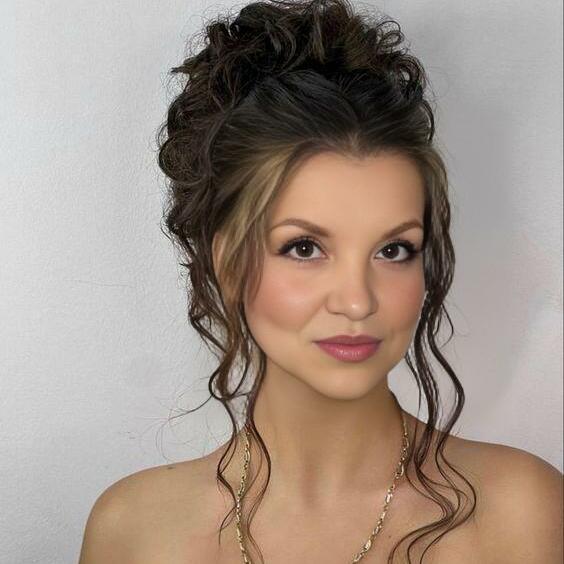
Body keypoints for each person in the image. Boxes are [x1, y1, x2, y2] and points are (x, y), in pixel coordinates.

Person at [78, 1, 563, 562]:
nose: (357, 301)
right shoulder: (135, 531)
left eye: (393, 250)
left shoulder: (522, 512)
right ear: (226, 262)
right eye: (304, 248)